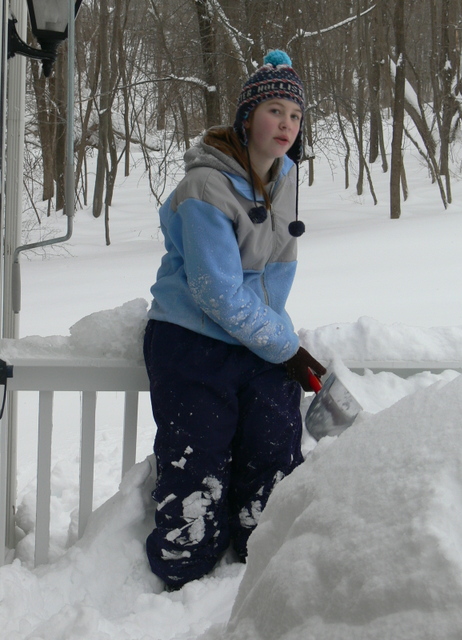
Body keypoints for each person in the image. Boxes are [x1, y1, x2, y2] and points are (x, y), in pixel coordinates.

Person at [143, 49, 326, 590]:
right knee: (196, 457)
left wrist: (278, 338)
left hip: (255, 339)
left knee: (274, 446)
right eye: (274, 111)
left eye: (295, 115)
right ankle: (183, 573)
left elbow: (270, 277)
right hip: (192, 340)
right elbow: (215, 292)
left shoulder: (286, 178)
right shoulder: (206, 187)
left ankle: (262, 559)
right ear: (247, 118)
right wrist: (285, 346)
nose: (287, 124)